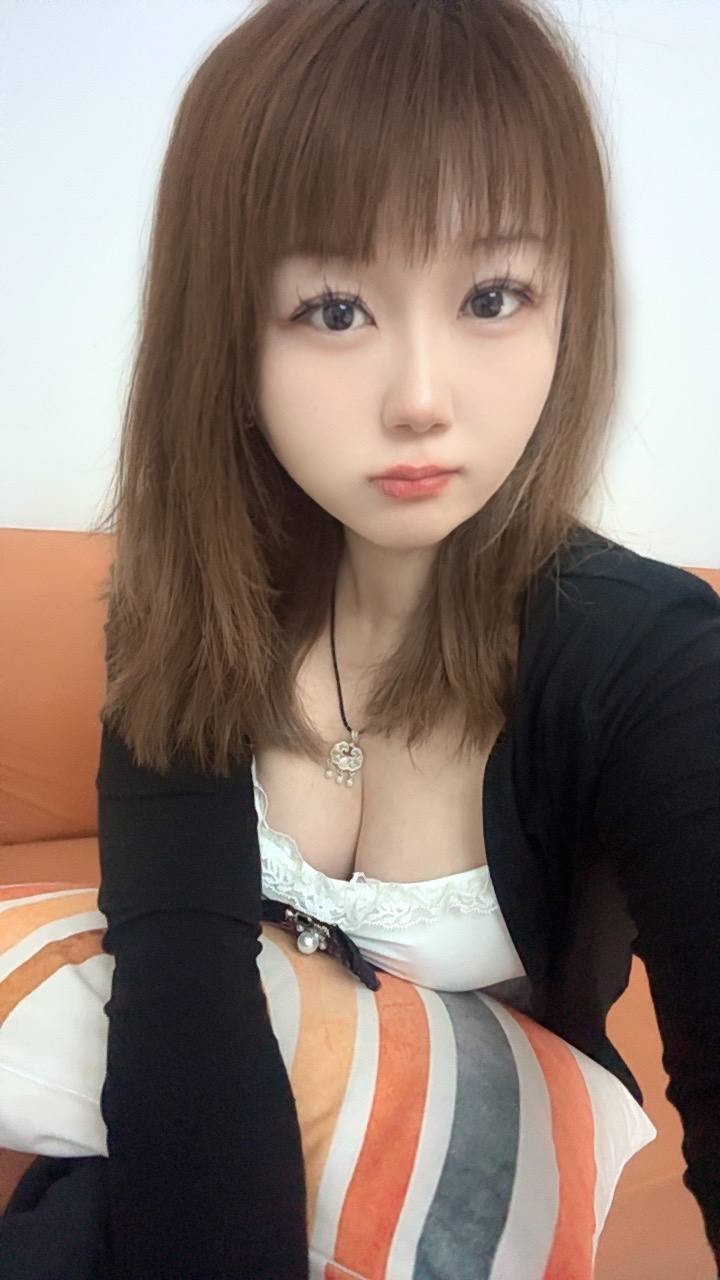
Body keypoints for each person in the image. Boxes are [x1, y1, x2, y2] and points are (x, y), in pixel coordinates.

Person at [2, 0, 718, 1277]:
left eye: (493, 294)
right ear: (230, 332)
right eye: (335, 308)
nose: (422, 398)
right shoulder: (186, 607)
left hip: (466, 1189)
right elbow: (180, 1006)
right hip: (201, 1138)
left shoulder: (651, 661)